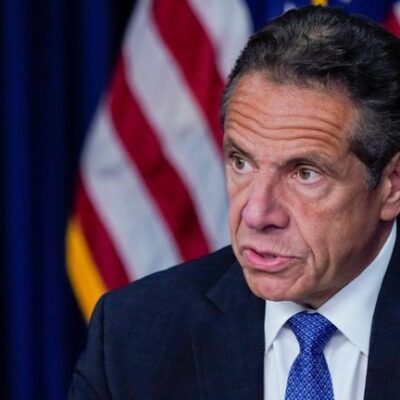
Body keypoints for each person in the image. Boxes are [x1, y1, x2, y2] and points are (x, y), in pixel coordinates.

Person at [69, 5, 400, 400]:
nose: (256, 214)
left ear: (392, 185)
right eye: (241, 162)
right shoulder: (131, 339)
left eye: (304, 173)